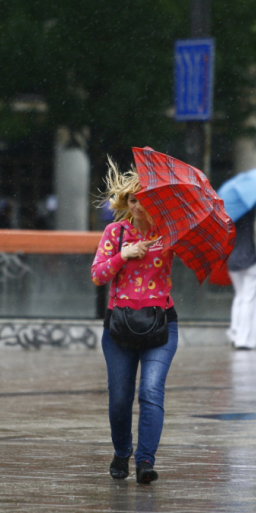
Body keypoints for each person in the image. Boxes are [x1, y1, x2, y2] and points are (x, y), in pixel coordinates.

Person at [91, 158, 178, 484]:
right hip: (119, 327)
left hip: (161, 324)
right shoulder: (115, 233)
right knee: (119, 397)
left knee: (151, 391)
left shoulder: (169, 234)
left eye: (145, 197)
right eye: (132, 198)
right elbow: (98, 276)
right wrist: (123, 256)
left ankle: (145, 461)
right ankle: (122, 452)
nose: (139, 204)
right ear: (125, 202)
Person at [226, 203, 256, 350]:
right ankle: (244, 339)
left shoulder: (228, 209)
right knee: (250, 299)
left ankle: (234, 333)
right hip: (252, 258)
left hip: (232, 259)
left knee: (239, 297)